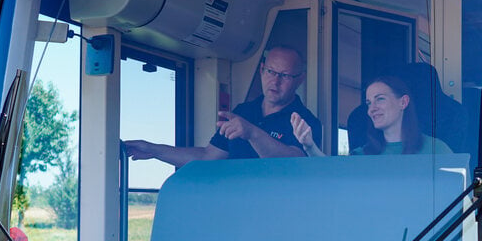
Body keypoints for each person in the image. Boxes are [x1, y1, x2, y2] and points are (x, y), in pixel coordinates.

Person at [124, 46, 322, 165]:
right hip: (235, 211)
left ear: (300, 79)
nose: (275, 81)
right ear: (262, 70)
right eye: (271, 72)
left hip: (278, 214)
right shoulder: (243, 112)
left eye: (285, 75)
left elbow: (295, 164)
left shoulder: (307, 122)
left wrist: (252, 133)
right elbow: (207, 156)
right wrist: (153, 150)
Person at [292, 75, 451, 156]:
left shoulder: (437, 150)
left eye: (380, 99)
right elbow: (332, 177)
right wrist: (310, 146)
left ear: (403, 102)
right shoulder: (362, 155)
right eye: (368, 103)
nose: (371, 109)